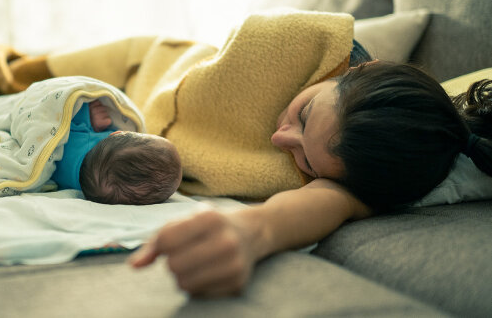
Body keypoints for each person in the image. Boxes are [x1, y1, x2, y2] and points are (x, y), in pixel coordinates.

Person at [128, 45, 492, 297]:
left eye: (307, 163)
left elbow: (327, 201)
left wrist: (252, 229)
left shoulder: (386, 167)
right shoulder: (350, 69)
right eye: (305, 114)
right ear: (362, 68)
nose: (277, 137)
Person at [52, 99, 182, 205]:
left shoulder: (84, 136)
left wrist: (88, 116)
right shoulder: (82, 187)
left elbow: (62, 121)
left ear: (116, 133)